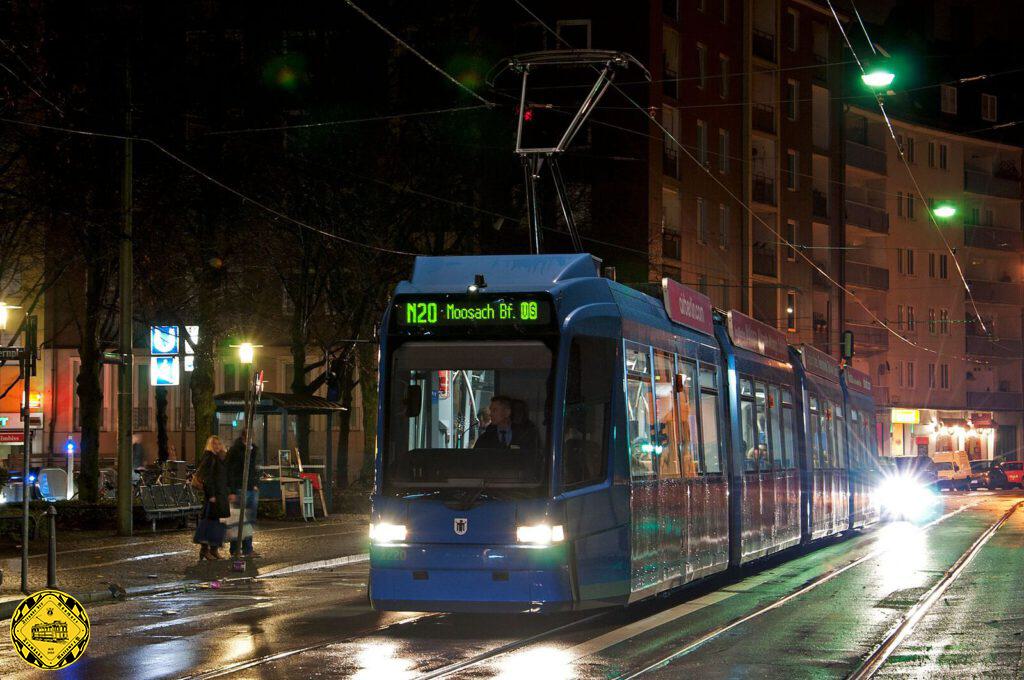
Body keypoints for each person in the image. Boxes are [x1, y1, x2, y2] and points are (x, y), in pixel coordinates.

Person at [193, 435, 229, 560]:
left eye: (218, 444)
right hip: (214, 496)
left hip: (221, 495)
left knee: (219, 524)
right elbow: (207, 478)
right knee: (209, 523)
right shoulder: (209, 458)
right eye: (214, 444)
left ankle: (214, 549)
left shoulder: (219, 458)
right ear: (210, 445)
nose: (217, 446)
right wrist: (212, 495)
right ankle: (205, 550)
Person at [227, 430, 260, 558]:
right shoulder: (236, 450)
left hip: (251, 488)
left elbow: (253, 468)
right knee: (238, 520)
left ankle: (247, 548)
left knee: (249, 520)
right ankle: (235, 549)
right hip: (240, 488)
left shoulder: (253, 450)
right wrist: (233, 491)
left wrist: (255, 483)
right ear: (244, 437)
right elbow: (231, 471)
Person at [474, 396, 540, 450]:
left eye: (494, 410)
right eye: (490, 410)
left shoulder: (525, 435)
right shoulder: (485, 437)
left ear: (507, 412)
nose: (490, 414)